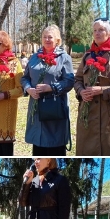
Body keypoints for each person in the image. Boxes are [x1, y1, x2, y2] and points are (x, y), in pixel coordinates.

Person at [75, 18, 110, 156]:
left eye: (101, 30)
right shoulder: (87, 56)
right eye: (95, 30)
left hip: (107, 116)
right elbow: (78, 79)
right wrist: (81, 91)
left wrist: (101, 91)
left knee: (108, 151)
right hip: (87, 114)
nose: (97, 33)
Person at [21, 25, 74, 156]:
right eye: (44, 37)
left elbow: (69, 81)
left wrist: (51, 87)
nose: (47, 39)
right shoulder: (34, 57)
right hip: (36, 107)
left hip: (54, 108)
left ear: (57, 40)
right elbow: (25, 78)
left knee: (55, 147)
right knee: (38, 148)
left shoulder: (64, 58)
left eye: (50, 37)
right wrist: (28, 89)